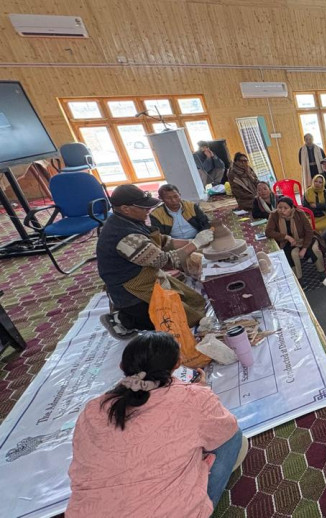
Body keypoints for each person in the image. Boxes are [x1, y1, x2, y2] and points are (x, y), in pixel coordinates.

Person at [67, 333, 244, 517]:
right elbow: (226, 428)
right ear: (177, 364)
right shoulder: (193, 399)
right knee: (233, 437)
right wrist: (202, 392)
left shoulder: (93, 409)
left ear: (122, 367)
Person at [96, 185, 211, 338]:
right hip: (132, 291)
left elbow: (164, 241)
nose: (148, 210)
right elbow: (165, 261)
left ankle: (132, 316)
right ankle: (123, 320)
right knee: (182, 320)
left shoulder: (130, 220)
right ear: (125, 208)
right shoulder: (123, 235)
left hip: (147, 277)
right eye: (143, 208)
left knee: (196, 301)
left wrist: (193, 241)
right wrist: (195, 244)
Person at [265, 196, 323, 280]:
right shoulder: (274, 215)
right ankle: (298, 278)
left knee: (315, 250)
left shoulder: (299, 213)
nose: (282, 210)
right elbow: (268, 232)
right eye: (279, 207)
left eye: (286, 208)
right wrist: (286, 237)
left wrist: (304, 248)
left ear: (291, 208)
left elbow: (309, 231)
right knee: (293, 254)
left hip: (305, 238)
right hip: (288, 243)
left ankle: (321, 272)